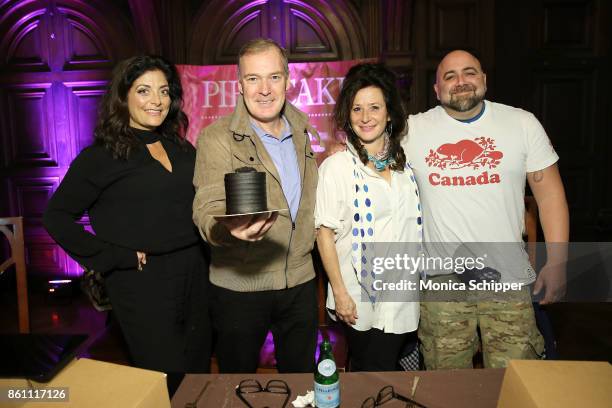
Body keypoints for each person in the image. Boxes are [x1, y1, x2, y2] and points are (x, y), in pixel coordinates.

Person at [43, 55, 211, 376]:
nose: (157, 101)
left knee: (198, 371)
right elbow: (56, 217)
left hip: (195, 272)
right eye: (144, 91)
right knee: (167, 376)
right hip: (141, 280)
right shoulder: (100, 157)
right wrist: (113, 257)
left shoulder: (181, 148)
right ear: (124, 95)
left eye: (163, 91)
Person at [403, 50, 569, 369]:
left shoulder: (520, 123)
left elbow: (550, 196)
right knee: (446, 385)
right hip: (442, 282)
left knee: (516, 380)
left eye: (470, 72)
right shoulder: (411, 131)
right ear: (436, 90)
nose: (461, 81)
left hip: (507, 276)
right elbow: (367, 152)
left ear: (484, 80)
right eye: (450, 76)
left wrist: (559, 262)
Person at [192, 39, 319, 373]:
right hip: (241, 288)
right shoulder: (216, 137)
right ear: (239, 84)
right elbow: (206, 204)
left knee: (302, 382)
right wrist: (224, 229)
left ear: (288, 80)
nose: (264, 89)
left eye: (274, 77)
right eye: (253, 79)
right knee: (237, 385)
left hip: (301, 282)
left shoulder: (303, 131)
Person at [315, 63, 422, 371]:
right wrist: (340, 292)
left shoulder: (404, 165)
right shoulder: (336, 167)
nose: (365, 117)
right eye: (357, 109)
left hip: (401, 294)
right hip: (358, 295)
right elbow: (324, 234)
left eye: (374, 107)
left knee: (382, 372)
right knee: (373, 372)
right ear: (348, 115)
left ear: (389, 113)